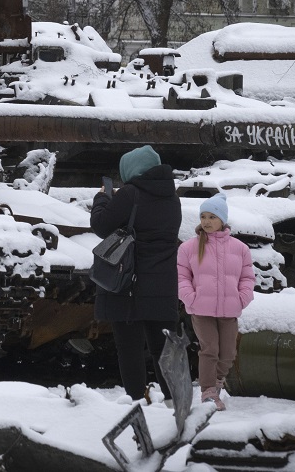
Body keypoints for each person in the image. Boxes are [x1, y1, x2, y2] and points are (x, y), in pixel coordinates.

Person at [90, 145, 182, 402]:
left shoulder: (130, 194)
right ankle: (174, 400)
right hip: (162, 286)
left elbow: (100, 225)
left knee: (129, 349)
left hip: (128, 283)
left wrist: (103, 198)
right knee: (162, 349)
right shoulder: (172, 198)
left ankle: (136, 400)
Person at [176, 192, 256, 411]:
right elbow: (182, 277)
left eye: (212, 217)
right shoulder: (189, 248)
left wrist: (242, 298)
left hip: (230, 310)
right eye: (203, 216)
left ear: (222, 220)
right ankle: (208, 392)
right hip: (201, 309)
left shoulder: (240, 248)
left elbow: (247, 277)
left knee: (228, 353)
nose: (207, 221)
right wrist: (190, 298)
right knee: (209, 349)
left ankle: (217, 383)